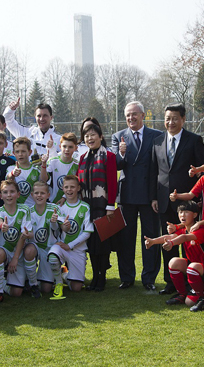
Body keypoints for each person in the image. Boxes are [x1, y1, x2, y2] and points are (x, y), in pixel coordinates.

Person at [150, 103, 204, 295]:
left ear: (183, 119)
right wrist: (154, 198)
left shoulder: (194, 140)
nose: (170, 122)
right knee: (169, 240)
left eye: (175, 118)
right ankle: (171, 282)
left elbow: (202, 171)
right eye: (167, 118)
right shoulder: (157, 141)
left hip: (187, 202)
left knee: (189, 242)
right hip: (164, 201)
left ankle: (191, 281)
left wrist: (197, 198)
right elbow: (154, 172)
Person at [112, 101, 161, 291]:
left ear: (142, 115)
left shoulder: (157, 136)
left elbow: (159, 165)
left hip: (149, 195)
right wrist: (122, 155)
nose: (131, 118)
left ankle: (149, 278)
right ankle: (126, 277)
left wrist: (156, 195)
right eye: (127, 116)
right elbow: (115, 164)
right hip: (126, 194)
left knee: (150, 237)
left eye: (134, 114)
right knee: (126, 238)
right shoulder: (118, 137)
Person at [77, 123, 118, 291]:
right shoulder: (83, 158)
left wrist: (110, 206)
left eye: (93, 134)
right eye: (86, 136)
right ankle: (94, 277)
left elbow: (112, 183)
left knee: (102, 244)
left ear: (101, 136)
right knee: (91, 243)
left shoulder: (108, 156)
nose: (90, 138)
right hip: (87, 208)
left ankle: (102, 278)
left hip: (103, 207)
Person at [144, 201, 202, 306]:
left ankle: (202, 294)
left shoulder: (200, 229)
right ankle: (182, 294)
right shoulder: (184, 229)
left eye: (186, 212)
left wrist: (171, 243)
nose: (182, 215)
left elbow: (183, 238)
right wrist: (153, 241)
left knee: (190, 302)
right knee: (173, 262)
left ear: (195, 214)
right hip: (192, 267)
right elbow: (170, 236)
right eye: (180, 212)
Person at [47, 175, 93, 298]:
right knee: (52, 256)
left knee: (76, 288)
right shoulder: (59, 207)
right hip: (62, 246)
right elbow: (56, 229)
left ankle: (64, 274)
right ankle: (58, 283)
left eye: (72, 187)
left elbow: (87, 232)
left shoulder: (85, 207)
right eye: (66, 187)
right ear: (62, 188)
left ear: (78, 188)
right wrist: (53, 222)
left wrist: (70, 245)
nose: (69, 190)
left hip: (77, 249)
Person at [0, 179, 30, 305]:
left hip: (18, 250)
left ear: (18, 194)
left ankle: (3, 283)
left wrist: (15, 258)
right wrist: (2, 226)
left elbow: (24, 236)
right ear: (1, 196)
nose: (9, 195)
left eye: (12, 192)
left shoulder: (24, 209)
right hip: (5, 250)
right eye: (5, 192)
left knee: (16, 293)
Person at [19, 181, 64, 295]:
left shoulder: (54, 208)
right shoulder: (28, 211)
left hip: (49, 248)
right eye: (37, 193)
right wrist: (27, 235)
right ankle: (33, 284)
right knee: (29, 250)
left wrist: (57, 222)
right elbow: (30, 233)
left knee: (46, 289)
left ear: (48, 195)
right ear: (32, 195)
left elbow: (60, 227)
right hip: (35, 247)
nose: (39, 195)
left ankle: (60, 274)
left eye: (42, 193)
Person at [40, 133, 79, 204]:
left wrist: (64, 197)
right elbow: (43, 179)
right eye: (64, 146)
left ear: (76, 148)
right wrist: (43, 164)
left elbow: (78, 187)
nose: (67, 149)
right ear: (60, 146)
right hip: (53, 202)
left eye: (70, 147)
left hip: (70, 204)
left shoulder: (77, 165)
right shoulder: (53, 161)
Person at [6, 137, 41, 207]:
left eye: (23, 151)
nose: (20, 154)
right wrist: (13, 174)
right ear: (13, 153)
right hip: (17, 209)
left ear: (30, 152)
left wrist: (43, 165)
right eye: (17, 151)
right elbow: (9, 179)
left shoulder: (36, 169)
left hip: (33, 208)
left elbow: (44, 183)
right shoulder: (11, 168)